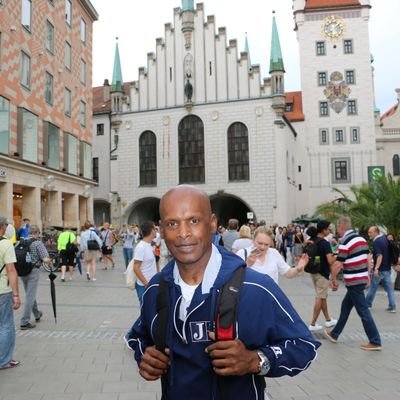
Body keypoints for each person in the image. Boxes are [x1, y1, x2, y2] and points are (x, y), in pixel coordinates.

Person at [126, 185, 320, 399]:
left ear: (212, 223)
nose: (183, 233)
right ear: (161, 230)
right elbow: (138, 337)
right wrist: (145, 357)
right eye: (172, 224)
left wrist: (256, 360)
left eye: (194, 221)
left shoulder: (255, 288)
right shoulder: (155, 289)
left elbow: (304, 346)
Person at [324, 216, 382, 351]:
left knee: (363, 311)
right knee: (346, 307)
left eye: (337, 228)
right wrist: (367, 276)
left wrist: (332, 279)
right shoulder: (361, 239)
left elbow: (338, 263)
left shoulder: (345, 241)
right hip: (360, 279)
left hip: (353, 281)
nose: (337, 231)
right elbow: (368, 259)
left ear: (341, 227)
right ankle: (335, 334)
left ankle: (375, 340)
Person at [236, 226, 308, 285]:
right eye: (260, 243)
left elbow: (288, 273)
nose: (263, 247)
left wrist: (297, 269)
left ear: (270, 243)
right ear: (253, 240)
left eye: (266, 244)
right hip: (250, 298)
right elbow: (233, 277)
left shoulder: (274, 253)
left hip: (270, 297)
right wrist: (248, 265)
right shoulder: (242, 253)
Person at [306, 222, 337, 332]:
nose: (329, 231)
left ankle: (328, 319)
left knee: (322, 296)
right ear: (323, 230)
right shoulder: (324, 243)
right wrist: (337, 255)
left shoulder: (312, 239)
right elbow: (330, 260)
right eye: (328, 229)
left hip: (313, 271)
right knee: (320, 296)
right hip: (322, 273)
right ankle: (313, 323)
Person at [20, 225, 52, 329]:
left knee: (30, 293)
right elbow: (45, 259)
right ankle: (24, 321)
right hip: (33, 271)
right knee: (30, 296)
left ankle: (37, 314)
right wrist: (50, 263)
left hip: (22, 271)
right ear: (37, 233)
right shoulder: (38, 243)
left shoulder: (21, 242)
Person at [0, 217, 20, 369]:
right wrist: (16, 294)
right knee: (6, 325)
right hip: (3, 291)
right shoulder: (5, 244)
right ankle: (3, 360)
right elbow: (11, 270)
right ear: (4, 226)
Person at [365, 226, 396, 313]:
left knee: (372, 288)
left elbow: (380, 256)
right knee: (389, 288)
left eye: (370, 232)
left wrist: (376, 268)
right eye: (369, 232)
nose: (369, 234)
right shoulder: (384, 239)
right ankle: (392, 306)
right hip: (387, 268)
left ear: (376, 232)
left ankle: (367, 304)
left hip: (380, 269)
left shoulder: (377, 242)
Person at [133, 221, 158, 304]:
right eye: (155, 229)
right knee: (146, 313)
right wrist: (146, 283)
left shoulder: (149, 245)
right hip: (144, 286)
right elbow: (136, 267)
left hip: (151, 284)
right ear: (151, 230)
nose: (156, 230)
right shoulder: (141, 247)